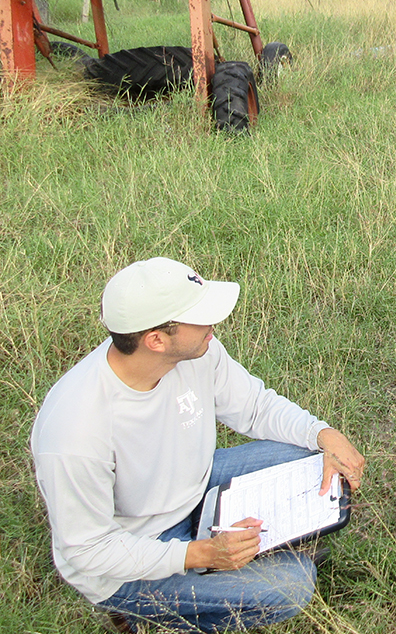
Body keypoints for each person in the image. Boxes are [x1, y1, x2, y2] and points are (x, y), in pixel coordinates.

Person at [30, 257, 366, 632]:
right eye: (200, 316)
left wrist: (324, 434)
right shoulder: (74, 431)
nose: (214, 324)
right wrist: (198, 553)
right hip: (134, 549)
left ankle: (244, 549)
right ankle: (147, 614)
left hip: (197, 486)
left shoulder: (198, 350)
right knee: (292, 585)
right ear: (156, 340)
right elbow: (87, 550)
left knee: (310, 455)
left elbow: (254, 406)